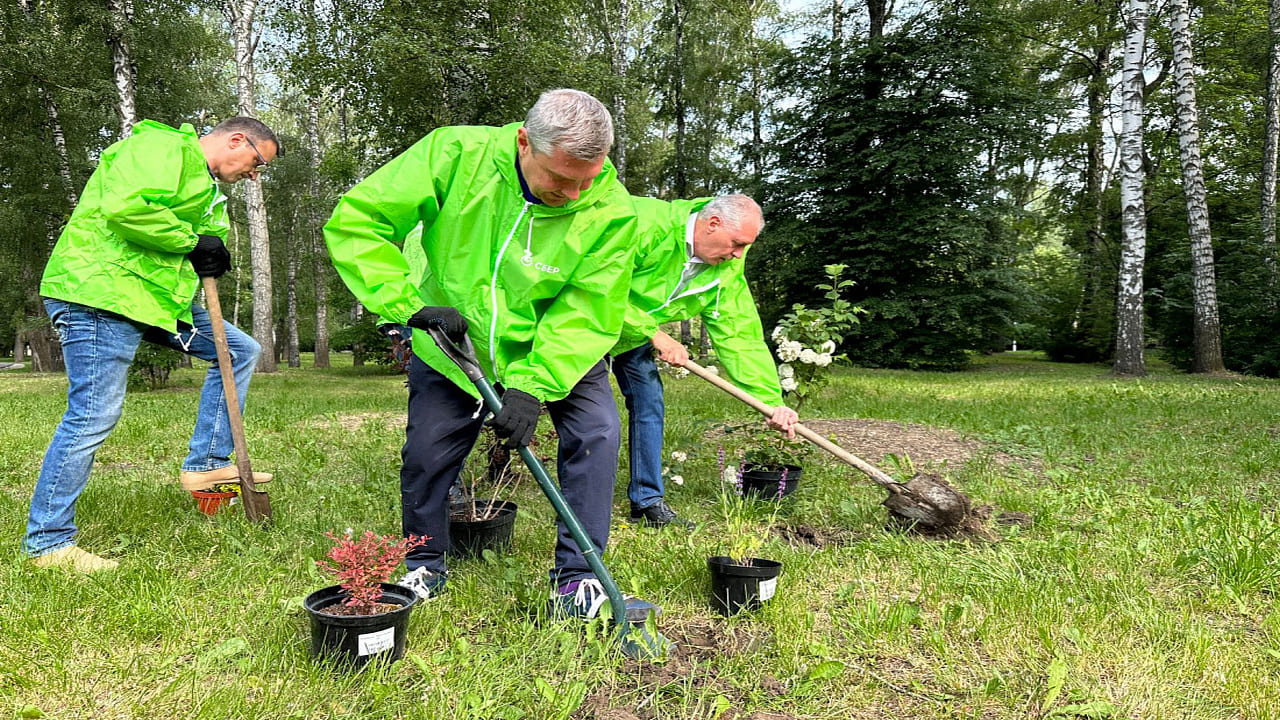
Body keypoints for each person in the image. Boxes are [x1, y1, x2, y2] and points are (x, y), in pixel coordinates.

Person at [323, 89, 655, 621]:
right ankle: (425, 560)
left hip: (558, 345)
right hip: (454, 338)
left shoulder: (611, 210)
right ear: (525, 142)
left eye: (587, 179)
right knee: (428, 453)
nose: (574, 194)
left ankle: (578, 580)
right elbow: (360, 220)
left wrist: (534, 383)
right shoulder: (454, 156)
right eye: (561, 178)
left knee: (596, 433)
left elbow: (588, 308)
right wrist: (410, 305)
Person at [27, 116, 283, 572]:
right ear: (236, 139)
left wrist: (210, 249)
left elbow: (203, 244)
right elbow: (126, 207)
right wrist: (191, 242)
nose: (255, 173)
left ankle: (206, 463)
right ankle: (48, 543)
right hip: (100, 294)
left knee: (239, 350)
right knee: (91, 415)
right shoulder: (162, 149)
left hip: (152, 301)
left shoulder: (208, 190)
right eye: (257, 161)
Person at [612, 194, 798, 528]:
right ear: (712, 224)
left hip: (631, 336)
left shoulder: (726, 268)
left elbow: (740, 336)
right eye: (737, 243)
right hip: (581, 322)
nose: (739, 254)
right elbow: (599, 284)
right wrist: (654, 333)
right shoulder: (643, 223)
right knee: (587, 418)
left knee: (649, 405)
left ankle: (647, 502)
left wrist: (771, 402)